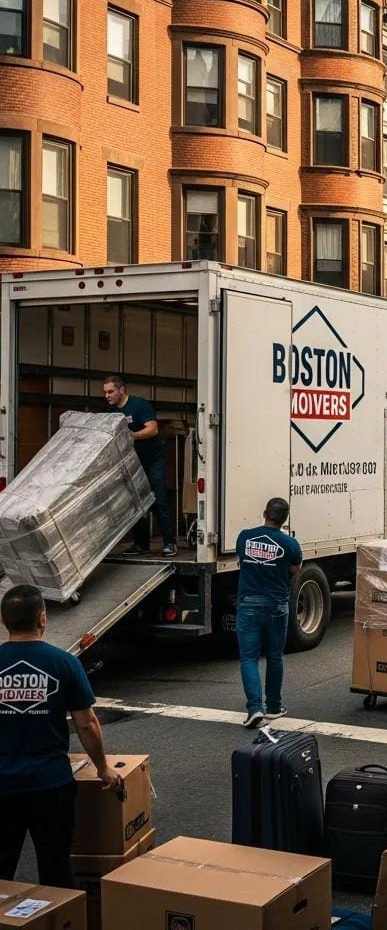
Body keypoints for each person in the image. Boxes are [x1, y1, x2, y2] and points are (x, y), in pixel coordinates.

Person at [0, 585, 122, 888]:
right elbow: (87, 724)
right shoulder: (64, 663)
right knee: (55, 866)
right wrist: (103, 768)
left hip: (2, 785)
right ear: (43, 618)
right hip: (50, 784)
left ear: (3, 621)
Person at [236, 497, 302, 728]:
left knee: (249, 658)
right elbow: (295, 569)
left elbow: (241, 563)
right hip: (276, 605)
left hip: (249, 604)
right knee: (274, 656)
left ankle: (255, 708)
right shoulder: (290, 544)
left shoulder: (245, 537)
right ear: (284, 520)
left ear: (264, 513)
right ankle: (274, 706)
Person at [103, 375, 176, 558]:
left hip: (153, 461)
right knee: (136, 504)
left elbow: (153, 429)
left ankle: (170, 543)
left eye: (110, 391)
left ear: (122, 390)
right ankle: (141, 544)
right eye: (105, 392)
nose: (107, 395)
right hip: (132, 463)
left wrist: (131, 436)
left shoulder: (139, 405)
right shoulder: (111, 412)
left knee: (158, 501)